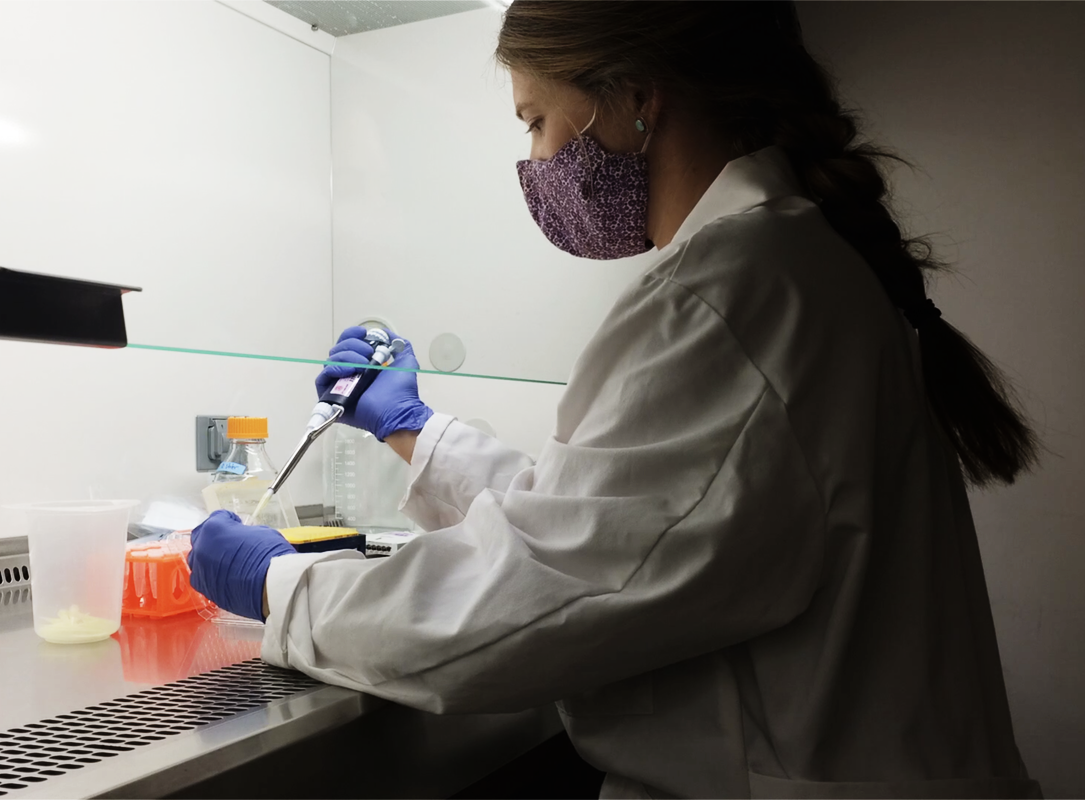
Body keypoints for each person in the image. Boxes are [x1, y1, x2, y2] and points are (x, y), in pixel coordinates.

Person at [188, 2, 1044, 797]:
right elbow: (628, 525)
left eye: (534, 119)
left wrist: (279, 584)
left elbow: (521, 601)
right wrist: (415, 431)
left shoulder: (731, 292)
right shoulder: (785, 266)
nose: (533, 161)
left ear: (634, 98)